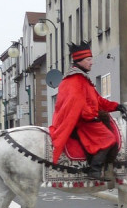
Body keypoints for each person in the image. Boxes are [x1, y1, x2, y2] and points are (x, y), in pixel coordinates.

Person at [49, 44, 121, 180]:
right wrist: (92, 117)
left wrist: (116, 106)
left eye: (91, 59)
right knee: (109, 138)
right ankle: (94, 170)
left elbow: (98, 100)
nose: (91, 62)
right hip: (82, 122)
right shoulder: (75, 79)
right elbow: (77, 105)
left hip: (87, 119)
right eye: (88, 60)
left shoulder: (82, 79)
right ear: (79, 61)